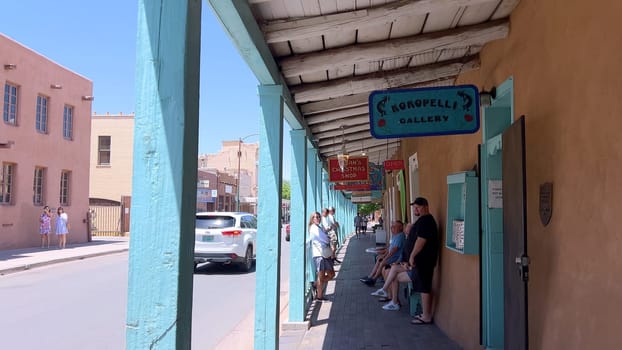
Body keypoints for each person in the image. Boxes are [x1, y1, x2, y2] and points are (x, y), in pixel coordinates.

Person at [382, 197, 439, 323]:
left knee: (424, 287)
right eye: (414, 207)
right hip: (416, 263)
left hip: (424, 261)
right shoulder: (422, 220)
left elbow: (421, 240)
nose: (415, 209)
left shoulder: (426, 221)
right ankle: (392, 299)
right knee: (396, 275)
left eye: (418, 207)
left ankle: (426, 316)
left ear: (425, 206)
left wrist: (412, 256)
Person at [360, 220, 405, 287]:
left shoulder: (400, 236)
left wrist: (385, 258)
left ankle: (374, 279)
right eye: (392, 226)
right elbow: (390, 248)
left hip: (396, 258)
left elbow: (394, 250)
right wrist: (383, 255)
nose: (392, 228)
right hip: (392, 256)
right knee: (379, 258)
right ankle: (370, 276)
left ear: (401, 227)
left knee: (382, 262)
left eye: (394, 227)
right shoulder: (395, 235)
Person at [309, 211, 334, 301]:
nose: (317, 218)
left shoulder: (318, 227)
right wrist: (327, 238)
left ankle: (316, 285)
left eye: (319, 217)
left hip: (324, 253)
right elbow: (325, 239)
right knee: (321, 275)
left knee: (331, 274)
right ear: (312, 219)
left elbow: (324, 238)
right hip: (319, 254)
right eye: (315, 217)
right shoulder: (313, 228)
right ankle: (319, 296)